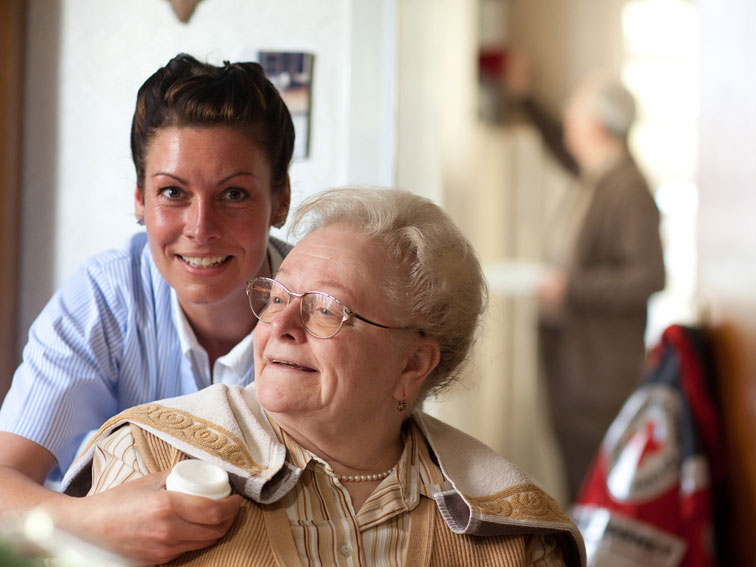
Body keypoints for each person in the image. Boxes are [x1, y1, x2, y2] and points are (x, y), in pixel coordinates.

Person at [64, 187, 587, 566]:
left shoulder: (512, 535)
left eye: (327, 309)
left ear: (413, 365)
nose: (281, 326)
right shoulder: (147, 459)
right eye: (278, 296)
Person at [0, 53, 295, 564]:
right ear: (140, 198)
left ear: (281, 199)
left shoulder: (326, 311)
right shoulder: (104, 297)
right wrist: (94, 522)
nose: (200, 228)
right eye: (173, 192)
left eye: (234, 193)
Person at [507, 64, 666, 501]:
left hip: (598, 376)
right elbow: (558, 143)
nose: (568, 122)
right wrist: (525, 98)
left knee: (594, 485)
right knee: (578, 478)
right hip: (576, 366)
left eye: (573, 112)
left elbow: (649, 276)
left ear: (597, 124)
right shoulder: (597, 177)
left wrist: (570, 288)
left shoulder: (627, 188)